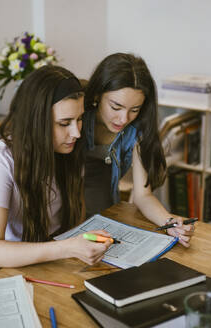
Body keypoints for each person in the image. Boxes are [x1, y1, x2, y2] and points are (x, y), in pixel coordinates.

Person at [0, 65, 112, 277]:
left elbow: (77, 216)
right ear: (36, 122)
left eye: (80, 119)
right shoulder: (0, 160)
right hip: (7, 267)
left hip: (51, 253)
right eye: (64, 123)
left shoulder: (68, 149)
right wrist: (67, 247)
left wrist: (78, 244)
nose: (76, 132)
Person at [83, 53, 194, 247]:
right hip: (68, 222)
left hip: (106, 220)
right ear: (97, 95)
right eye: (115, 107)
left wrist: (169, 223)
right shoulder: (76, 119)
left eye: (134, 110)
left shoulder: (136, 133)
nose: (124, 119)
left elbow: (143, 195)